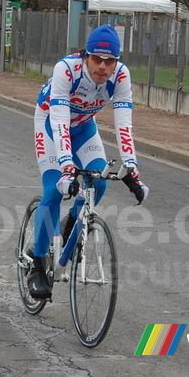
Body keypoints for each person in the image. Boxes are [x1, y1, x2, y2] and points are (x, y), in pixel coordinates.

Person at [26, 25, 149, 300]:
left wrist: (132, 168)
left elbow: (124, 123)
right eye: (97, 59)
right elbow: (58, 120)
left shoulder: (121, 76)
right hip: (49, 125)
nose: (103, 67)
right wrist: (68, 168)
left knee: (100, 183)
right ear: (85, 56)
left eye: (110, 61)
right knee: (54, 190)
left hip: (83, 127)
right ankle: (37, 263)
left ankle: (72, 222)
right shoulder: (66, 70)